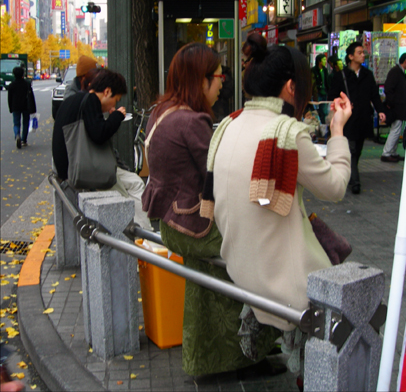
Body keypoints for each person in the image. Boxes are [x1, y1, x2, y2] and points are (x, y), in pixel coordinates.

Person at [200, 41, 351, 382]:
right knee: (345, 271)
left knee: (325, 239)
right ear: (291, 87)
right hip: (283, 284)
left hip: (242, 271)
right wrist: (338, 130)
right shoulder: (286, 135)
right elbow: (336, 187)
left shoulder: (228, 125)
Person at [142, 42, 280, 377]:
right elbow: (221, 172)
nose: (222, 84)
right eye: (218, 77)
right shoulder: (192, 121)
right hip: (194, 224)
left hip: (170, 221)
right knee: (255, 254)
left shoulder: (163, 111)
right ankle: (249, 353)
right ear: (200, 80)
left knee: (207, 284)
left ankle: (207, 359)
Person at [52, 68, 152, 230]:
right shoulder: (91, 100)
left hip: (70, 168)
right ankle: (140, 238)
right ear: (107, 92)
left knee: (134, 182)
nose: (115, 105)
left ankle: (145, 231)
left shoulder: (76, 100)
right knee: (126, 195)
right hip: (83, 171)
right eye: (116, 100)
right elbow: (99, 134)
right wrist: (116, 117)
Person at [328, 41, 386, 194]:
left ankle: (350, 173)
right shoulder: (341, 76)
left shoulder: (368, 75)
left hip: (363, 117)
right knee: (352, 149)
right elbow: (332, 95)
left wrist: (380, 110)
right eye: (359, 52)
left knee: (358, 149)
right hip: (348, 119)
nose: (363, 55)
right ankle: (355, 182)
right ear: (351, 56)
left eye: (363, 52)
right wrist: (341, 103)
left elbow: (374, 95)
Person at [380, 52, 406, 163]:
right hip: (397, 107)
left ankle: (392, 152)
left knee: (397, 130)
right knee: (395, 130)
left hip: (399, 106)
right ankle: (387, 153)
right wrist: (392, 103)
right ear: (405, 61)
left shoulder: (399, 72)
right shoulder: (396, 72)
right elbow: (389, 88)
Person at [7, 66, 36, 149]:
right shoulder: (26, 84)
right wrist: (33, 108)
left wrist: (10, 108)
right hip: (26, 105)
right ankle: (24, 140)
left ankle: (17, 135)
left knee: (16, 123)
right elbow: (31, 96)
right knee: (25, 123)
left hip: (15, 106)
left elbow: (10, 98)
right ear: (23, 74)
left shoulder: (12, 85)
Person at [311, 53, 329, 124]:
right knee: (317, 110)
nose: (325, 61)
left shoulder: (325, 70)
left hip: (324, 93)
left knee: (323, 111)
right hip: (317, 93)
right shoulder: (313, 70)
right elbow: (312, 83)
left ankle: (323, 125)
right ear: (319, 61)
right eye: (324, 60)